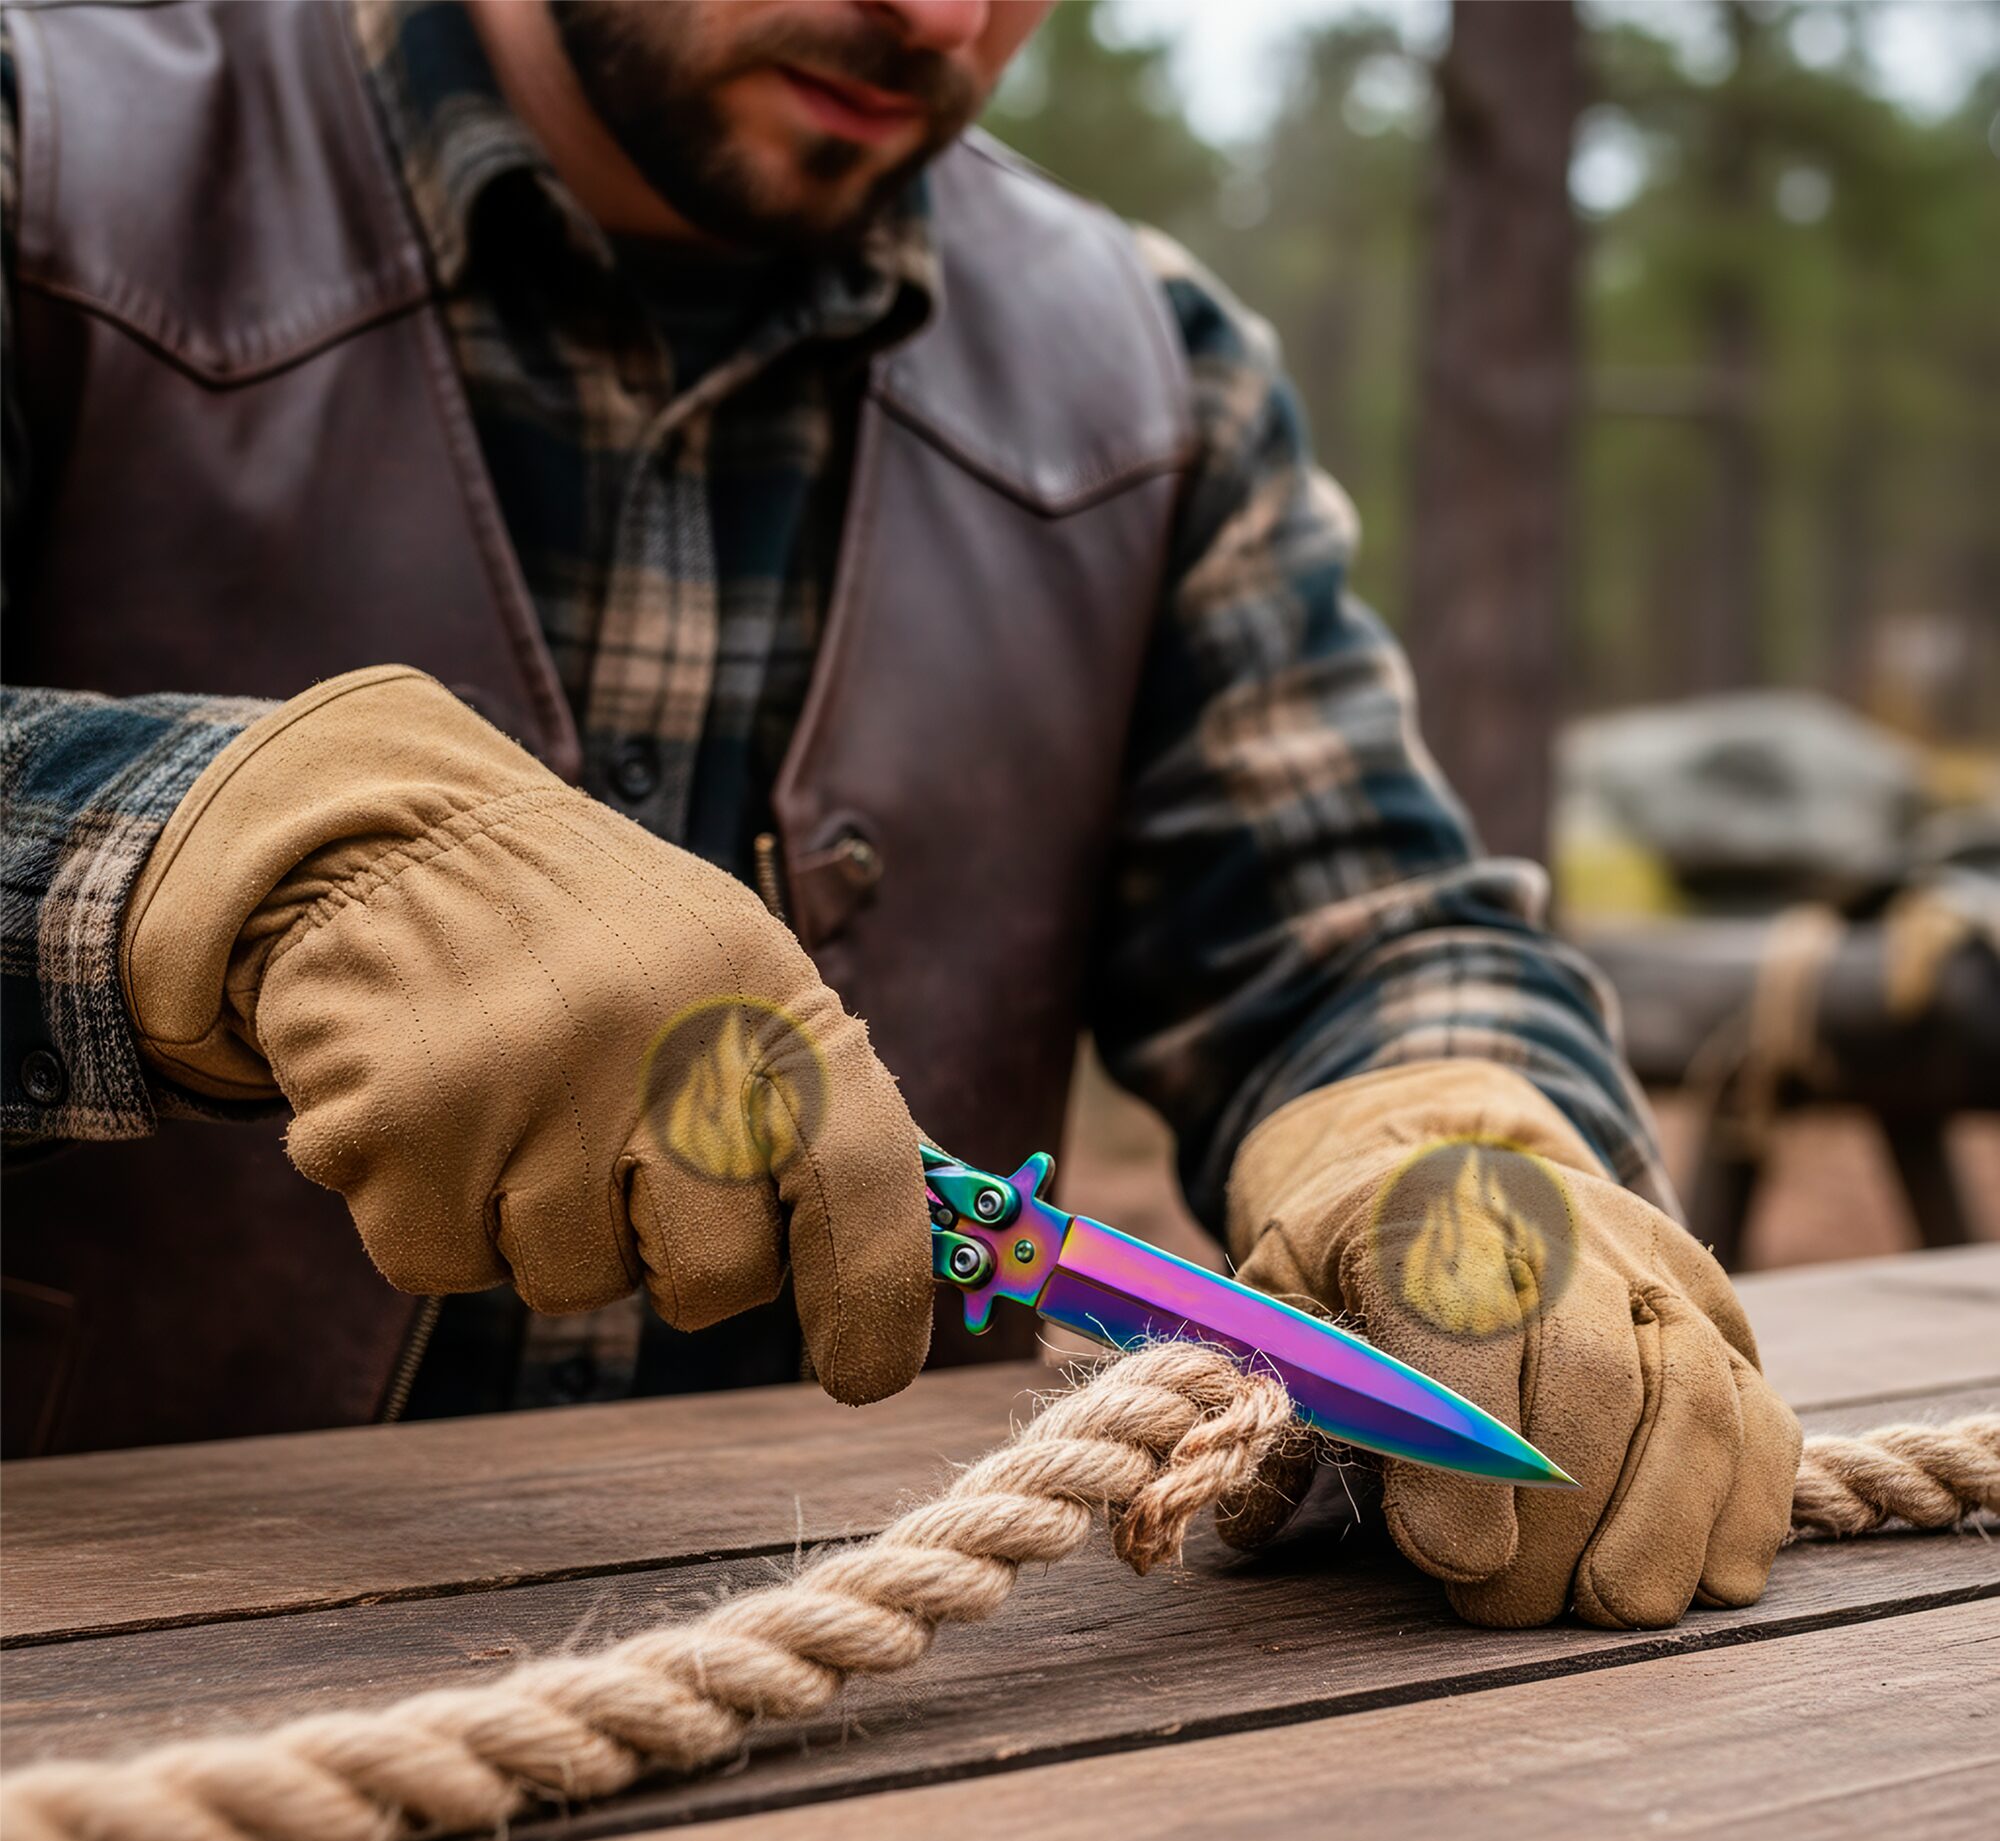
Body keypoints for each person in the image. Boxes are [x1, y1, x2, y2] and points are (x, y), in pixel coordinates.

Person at [0, 0, 1800, 1631]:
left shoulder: (1149, 377)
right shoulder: (50, 155)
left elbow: (1364, 927)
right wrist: (227, 849)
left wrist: (1445, 1126)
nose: (941, 18)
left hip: (913, 1742)